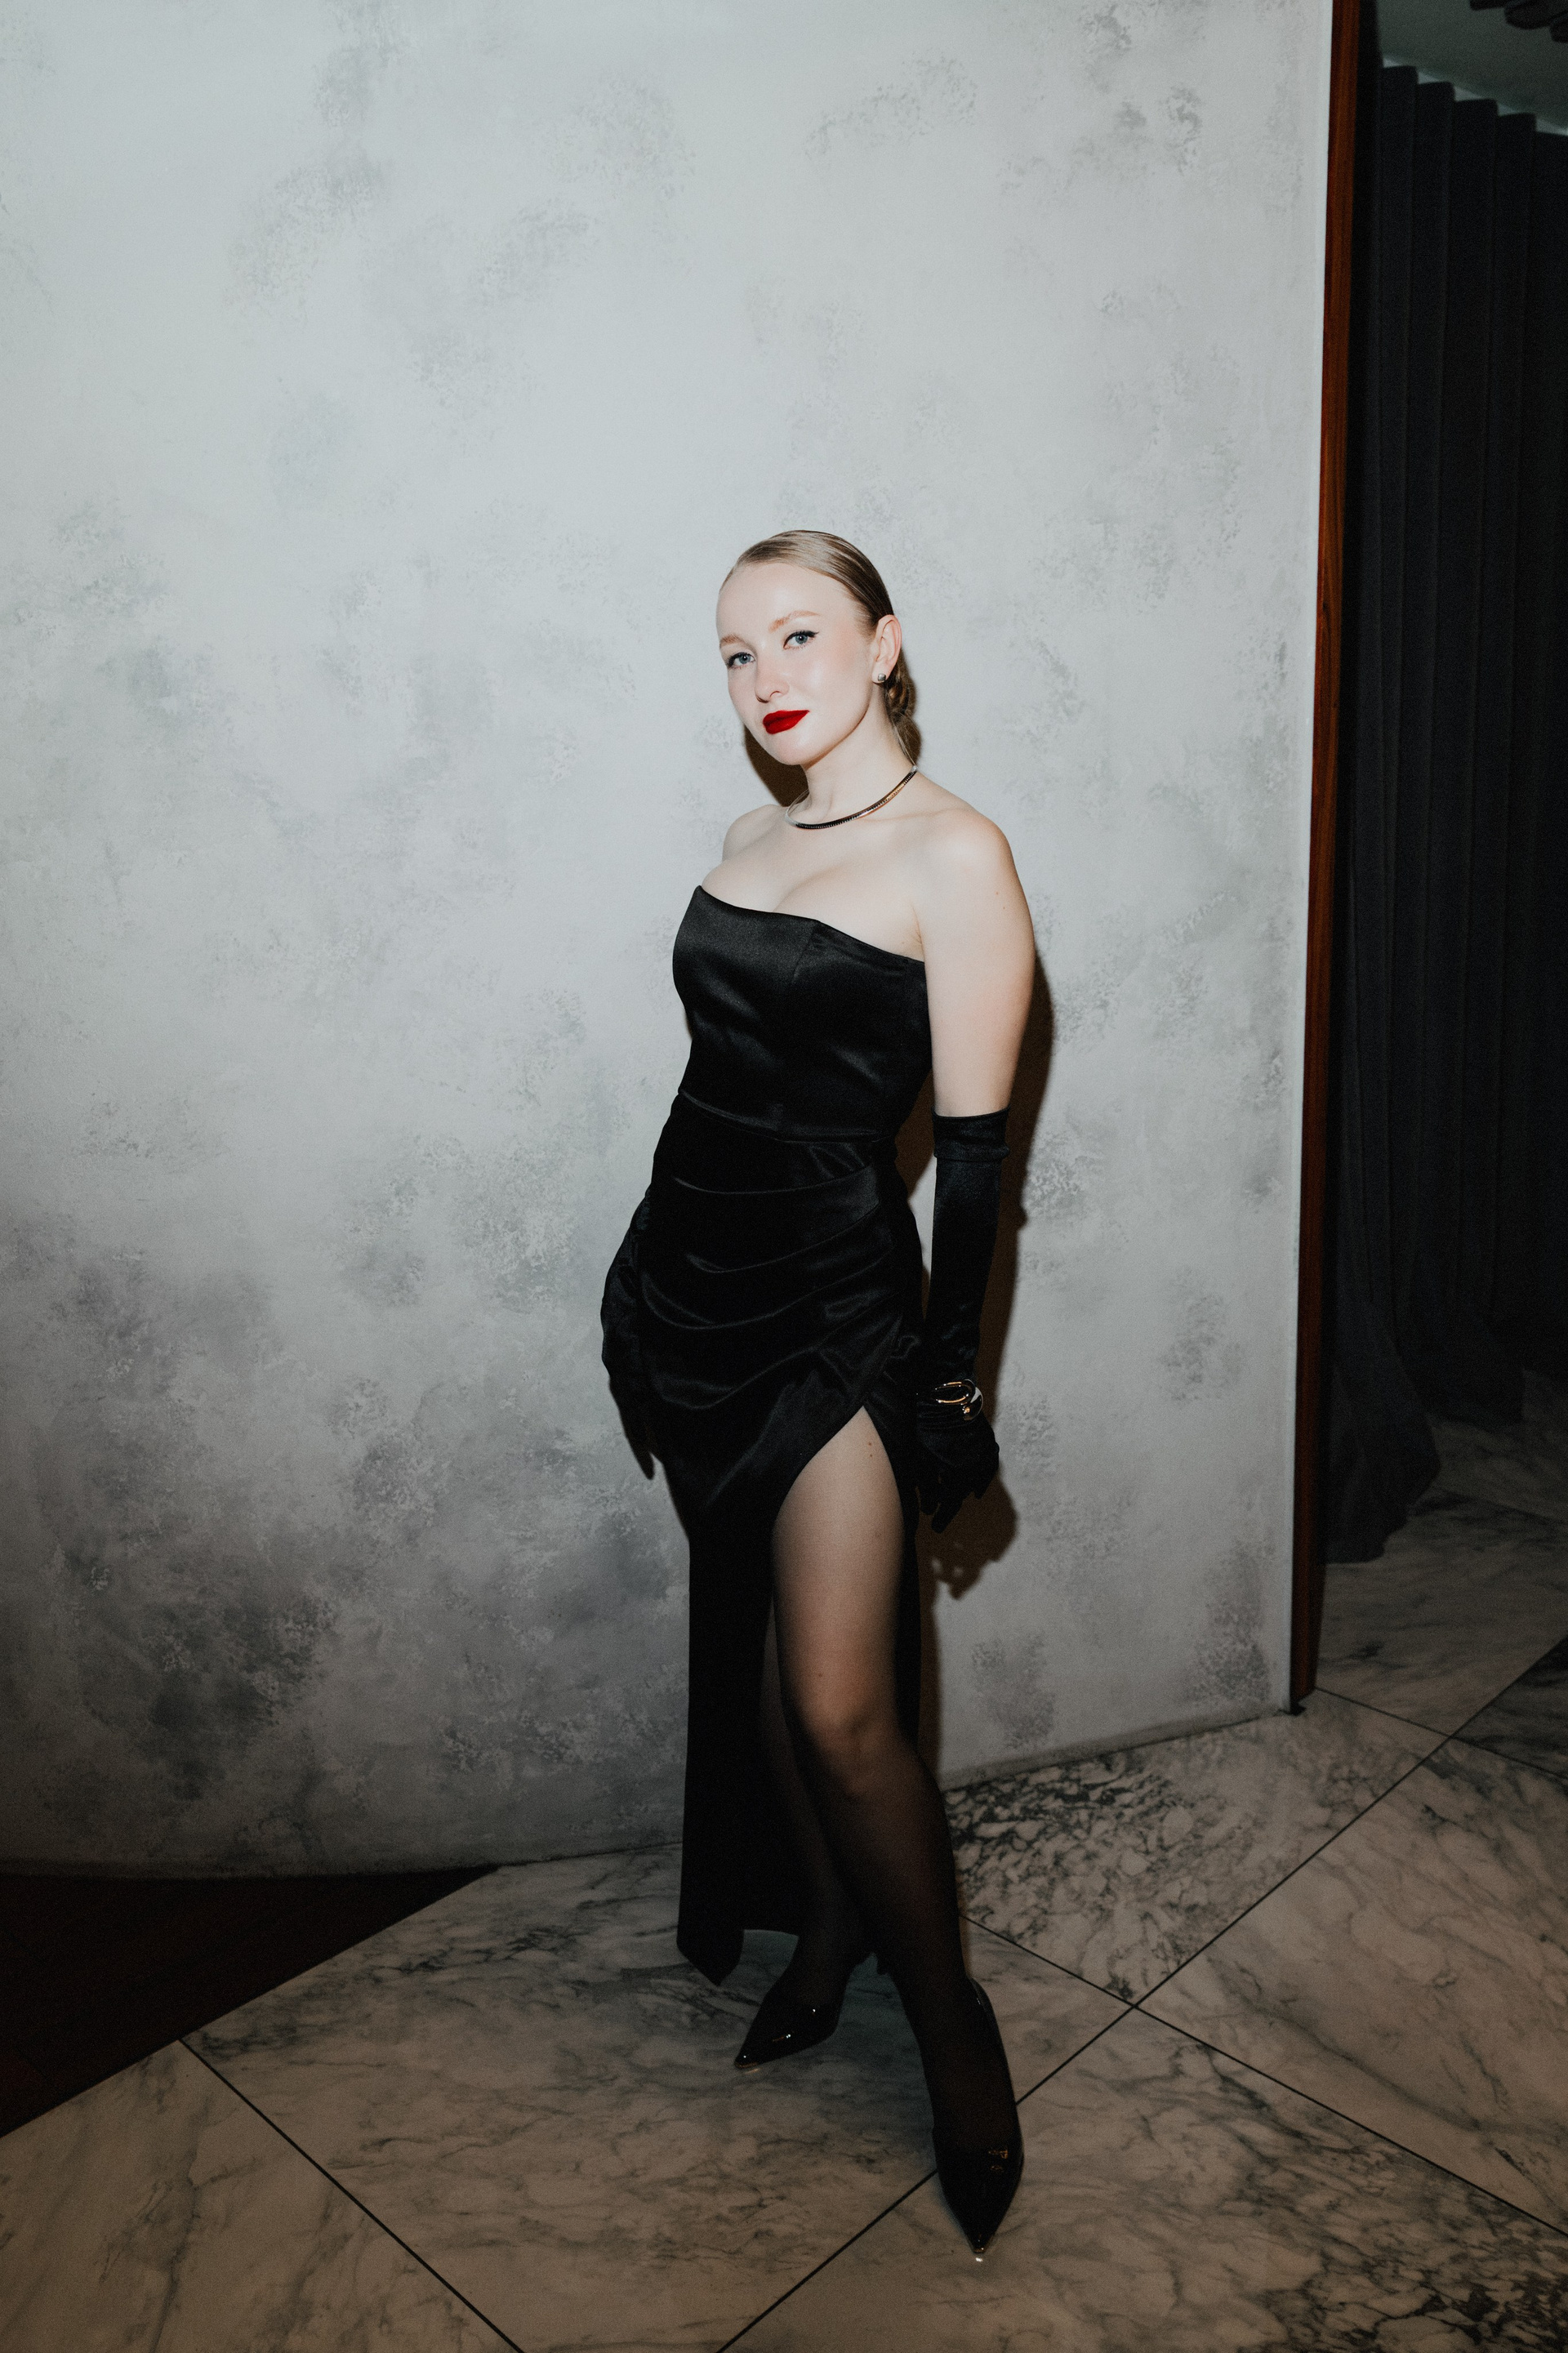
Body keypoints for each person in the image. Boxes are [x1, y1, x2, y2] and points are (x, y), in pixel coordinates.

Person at [601, 530, 1036, 2256]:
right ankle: (831, 1935)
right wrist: (640, 1268)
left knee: (847, 1708)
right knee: (773, 1675)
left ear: (884, 643)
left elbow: (976, 1172)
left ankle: (953, 2032)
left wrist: (950, 1384)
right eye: (735, 652)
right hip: (693, 1301)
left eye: (798, 634)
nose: (766, 677)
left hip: (836, 1322)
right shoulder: (748, 839)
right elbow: (716, 1089)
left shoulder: (959, 857)